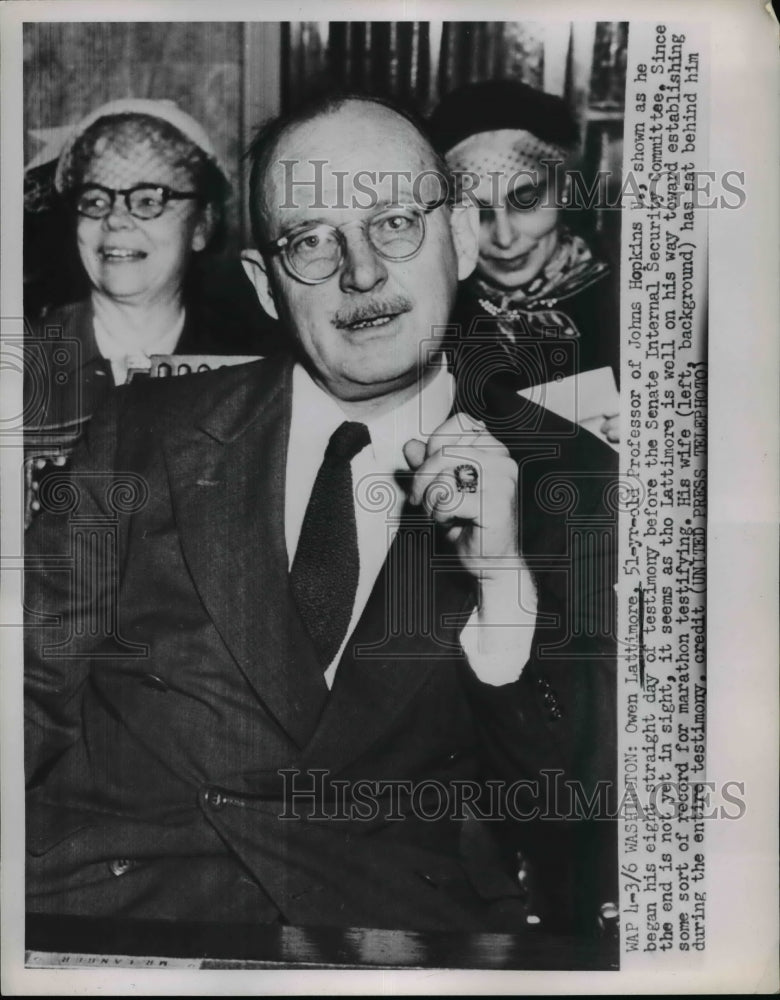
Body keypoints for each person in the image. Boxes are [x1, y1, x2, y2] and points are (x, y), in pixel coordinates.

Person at [25, 95, 617, 942]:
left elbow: (572, 810)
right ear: (267, 286)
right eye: (311, 240)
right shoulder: (140, 432)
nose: (362, 274)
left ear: (456, 241)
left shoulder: (573, 477)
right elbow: (25, 687)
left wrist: (501, 584)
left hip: (393, 932)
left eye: (394, 225)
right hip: (115, 910)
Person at [24, 99, 277, 457]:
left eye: (147, 201)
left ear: (201, 225)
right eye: (95, 201)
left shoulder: (252, 375)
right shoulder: (21, 363)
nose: (116, 219)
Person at [429, 80, 620, 445]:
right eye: (476, 210)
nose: (503, 238)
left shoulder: (634, 296)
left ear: (565, 186)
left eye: (526, 198)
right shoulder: (433, 313)